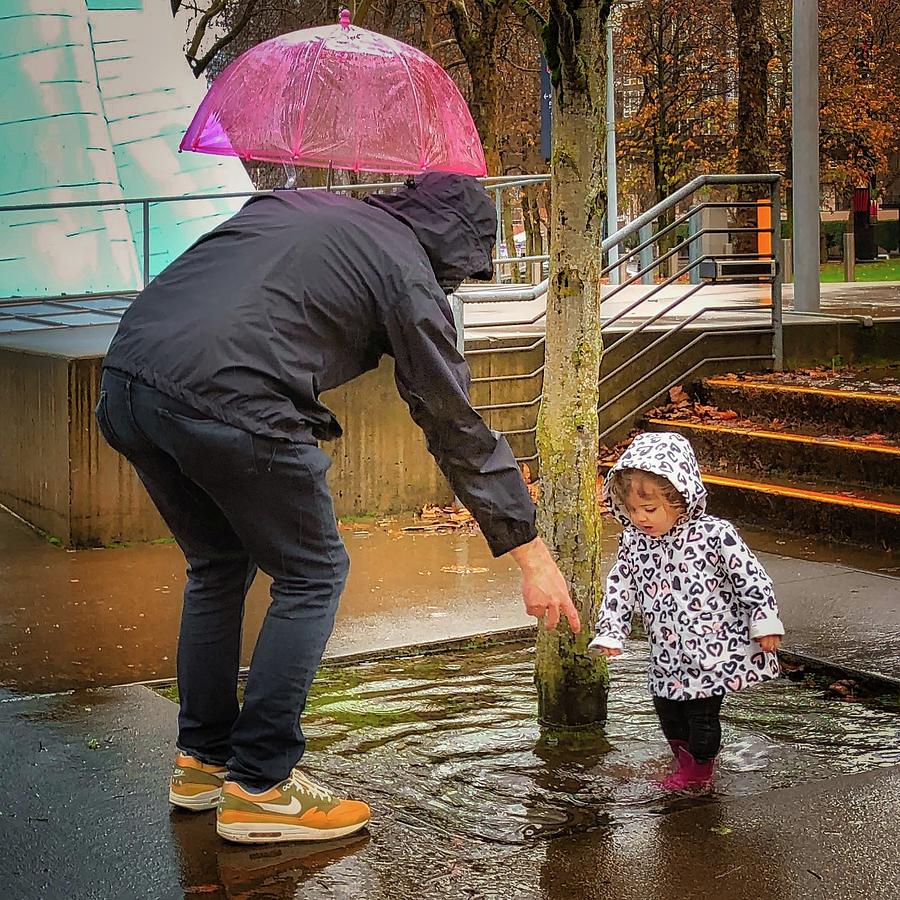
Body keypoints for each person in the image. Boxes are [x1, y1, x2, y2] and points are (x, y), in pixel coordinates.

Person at [96, 172, 579, 844]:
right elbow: (454, 425)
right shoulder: (408, 272)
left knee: (216, 565)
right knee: (312, 573)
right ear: (452, 250)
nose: (453, 288)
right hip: (231, 400)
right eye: (460, 274)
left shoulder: (293, 203)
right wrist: (531, 554)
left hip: (126, 385)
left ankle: (203, 762)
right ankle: (260, 785)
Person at [588, 432, 784, 790]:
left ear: (680, 499)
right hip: (666, 652)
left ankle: (698, 772)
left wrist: (764, 620)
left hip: (711, 649)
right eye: (632, 510)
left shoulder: (713, 534)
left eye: (650, 510)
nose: (641, 518)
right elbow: (621, 585)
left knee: (701, 714)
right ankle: (685, 762)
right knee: (667, 708)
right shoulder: (634, 541)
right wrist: (612, 631)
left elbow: (751, 578)